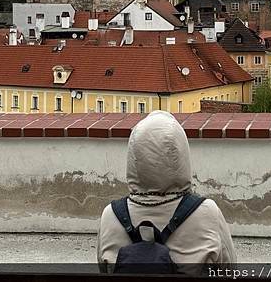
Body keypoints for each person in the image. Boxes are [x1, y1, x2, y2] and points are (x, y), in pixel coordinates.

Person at [98, 110, 236, 271]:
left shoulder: (110, 215)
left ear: (134, 157)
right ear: (182, 153)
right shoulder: (207, 213)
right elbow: (230, 270)